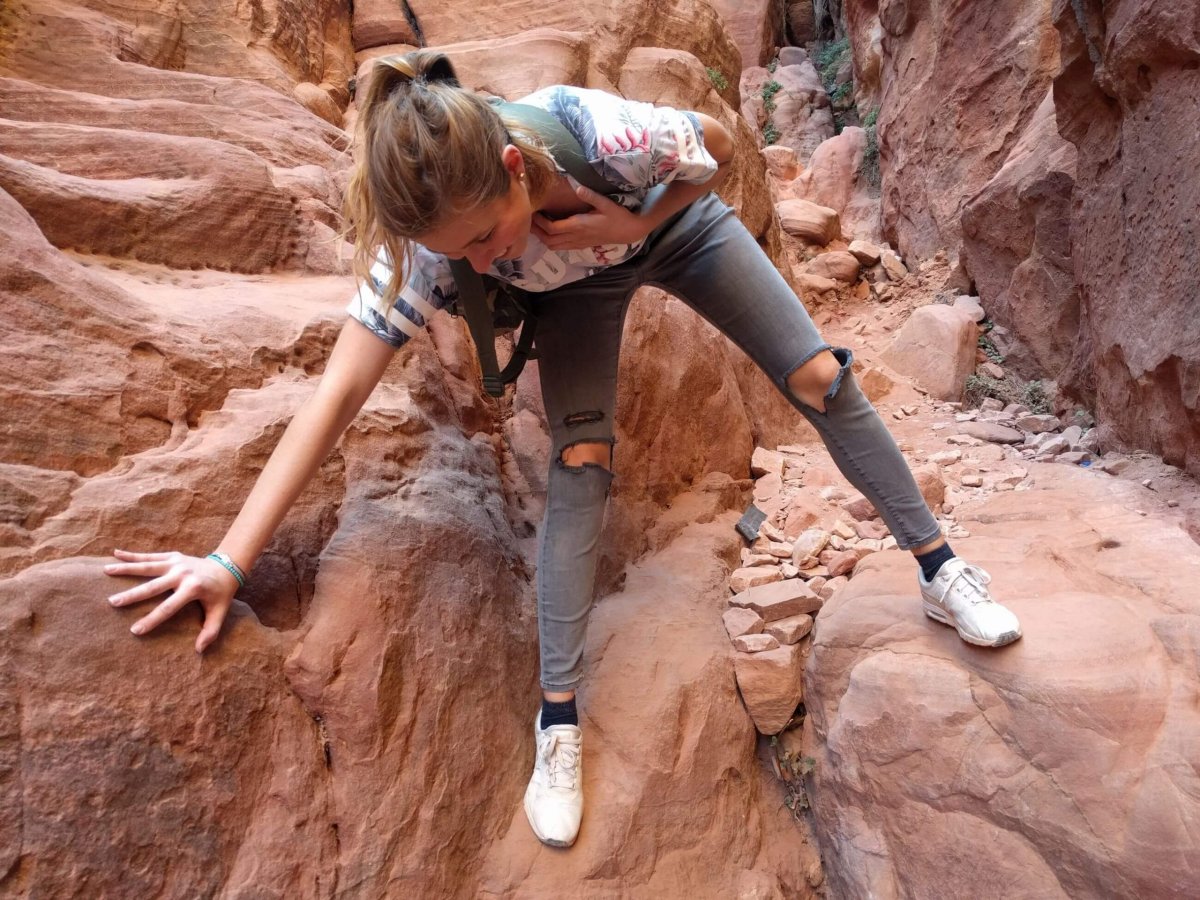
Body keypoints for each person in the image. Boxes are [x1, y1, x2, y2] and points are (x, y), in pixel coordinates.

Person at [104, 50, 1022, 849]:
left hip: (669, 227)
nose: (473, 262)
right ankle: (558, 721)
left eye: (482, 237)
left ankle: (941, 571)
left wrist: (632, 223)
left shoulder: (594, 131)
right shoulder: (429, 249)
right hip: (575, 288)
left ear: (515, 168)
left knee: (819, 375)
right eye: (453, 253)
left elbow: (714, 147)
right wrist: (228, 561)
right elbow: (337, 394)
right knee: (581, 460)